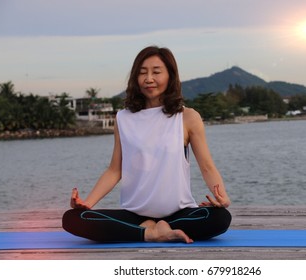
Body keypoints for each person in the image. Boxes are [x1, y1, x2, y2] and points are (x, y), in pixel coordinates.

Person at [62, 46, 231, 243]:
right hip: (135, 215)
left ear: (170, 76)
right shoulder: (123, 118)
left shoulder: (187, 117)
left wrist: (223, 197)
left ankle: (146, 231)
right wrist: (87, 204)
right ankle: (151, 232)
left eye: (156, 72)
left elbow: (207, 166)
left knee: (220, 218)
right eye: (142, 73)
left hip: (179, 213)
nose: (149, 78)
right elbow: (114, 170)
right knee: (73, 218)